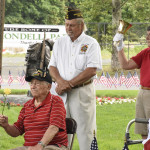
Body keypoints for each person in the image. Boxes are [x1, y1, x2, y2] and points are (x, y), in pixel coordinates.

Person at [49, 6, 102, 150]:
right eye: (66, 24)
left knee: (86, 133)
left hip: (81, 93)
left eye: (72, 25)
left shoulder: (91, 43)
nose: (68, 28)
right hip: (60, 93)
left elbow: (91, 70)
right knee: (59, 132)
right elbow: (52, 67)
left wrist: (69, 84)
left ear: (81, 25)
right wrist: (60, 82)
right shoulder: (60, 42)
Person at [0, 69, 68, 150]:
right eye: (31, 83)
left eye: (37, 83)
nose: (33, 86)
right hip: (30, 148)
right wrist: (6, 126)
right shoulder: (27, 105)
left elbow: (54, 127)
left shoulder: (56, 101)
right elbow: (17, 131)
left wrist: (40, 146)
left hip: (53, 146)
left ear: (49, 87)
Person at [113, 26, 150, 140]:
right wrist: (120, 48)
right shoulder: (145, 52)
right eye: (147, 34)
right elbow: (126, 65)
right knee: (143, 129)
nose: (147, 37)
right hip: (142, 92)